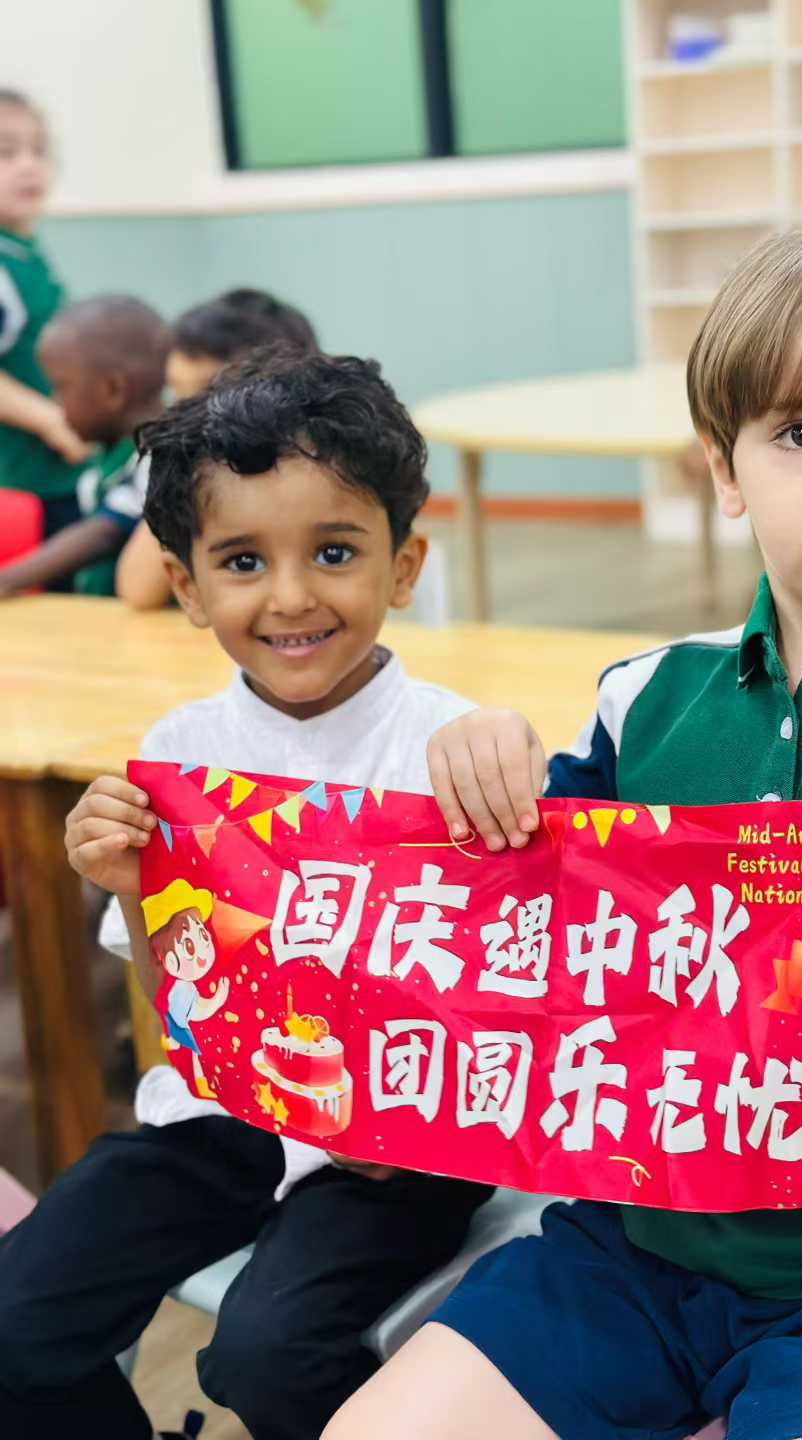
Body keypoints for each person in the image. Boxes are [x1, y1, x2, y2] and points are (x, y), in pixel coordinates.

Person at [325, 220, 802, 1440]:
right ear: (725, 469)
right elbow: (525, 955)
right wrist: (484, 780)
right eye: (797, 434)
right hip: (635, 1243)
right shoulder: (645, 701)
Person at [0, 351, 491, 1440]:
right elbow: (178, 995)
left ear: (403, 567)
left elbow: (507, 990)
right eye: (241, 561)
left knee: (268, 1356)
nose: (290, 596)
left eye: (334, 552)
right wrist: (131, 886)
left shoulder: (450, 745)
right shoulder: (179, 750)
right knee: (13, 1326)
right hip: (221, 1115)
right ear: (187, 587)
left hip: (398, 1147)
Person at [116, 287, 318, 611]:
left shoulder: (316, 471)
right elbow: (138, 590)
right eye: (176, 393)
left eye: (204, 395)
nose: (181, 416)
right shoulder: (177, 462)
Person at [0, 294, 169, 597]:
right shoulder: (107, 457)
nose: (55, 401)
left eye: (61, 387)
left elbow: (106, 533)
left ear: (112, 390)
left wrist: (7, 580)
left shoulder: (162, 455)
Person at [0, 89, 89, 531]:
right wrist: (53, 422)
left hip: (58, 478)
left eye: (39, 151)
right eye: (6, 153)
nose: (29, 165)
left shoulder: (23, 252)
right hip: (19, 489)